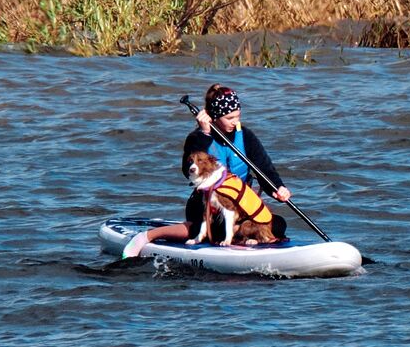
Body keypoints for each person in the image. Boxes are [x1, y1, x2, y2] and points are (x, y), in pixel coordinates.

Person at [123, 84, 291, 256]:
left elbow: (264, 167)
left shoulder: (246, 136)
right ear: (215, 117)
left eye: (238, 116)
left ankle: (236, 232)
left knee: (277, 224)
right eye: (230, 118)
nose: (235, 122)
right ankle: (147, 236)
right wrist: (205, 133)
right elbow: (187, 169)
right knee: (204, 229)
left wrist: (277, 188)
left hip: (240, 206)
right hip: (205, 206)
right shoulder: (198, 138)